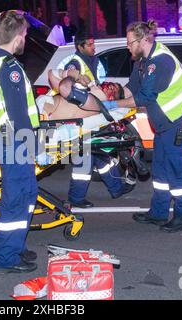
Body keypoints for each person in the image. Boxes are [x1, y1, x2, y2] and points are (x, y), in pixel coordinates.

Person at [105, 20, 182, 233]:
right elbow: (132, 88)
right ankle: (159, 212)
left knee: (176, 171)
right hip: (164, 125)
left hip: (176, 123)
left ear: (143, 40)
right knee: (161, 170)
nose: (127, 47)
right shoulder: (142, 61)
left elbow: (144, 97)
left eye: (129, 43)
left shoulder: (160, 61)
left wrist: (113, 105)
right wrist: (110, 95)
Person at [0, 11, 40, 274]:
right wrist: (34, 145)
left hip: (3, 139)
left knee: (27, 194)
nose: (25, 39)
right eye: (24, 35)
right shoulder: (10, 68)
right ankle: (6, 259)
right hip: (15, 141)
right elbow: (18, 113)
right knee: (16, 199)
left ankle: (15, 246)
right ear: (17, 37)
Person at [63, 32, 130, 208]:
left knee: (98, 152)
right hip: (81, 115)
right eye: (90, 44)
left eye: (93, 44)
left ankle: (116, 188)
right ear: (80, 47)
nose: (94, 47)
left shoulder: (92, 61)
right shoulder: (76, 63)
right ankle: (76, 197)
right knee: (86, 156)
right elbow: (69, 80)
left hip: (91, 114)